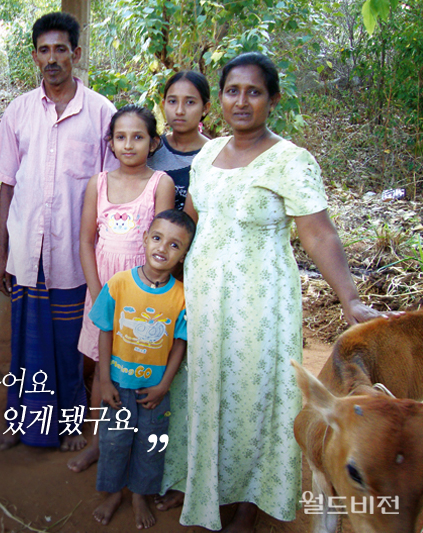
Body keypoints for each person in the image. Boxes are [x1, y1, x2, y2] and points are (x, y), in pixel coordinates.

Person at [155, 52, 385, 531]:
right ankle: (204, 487)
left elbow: (318, 234)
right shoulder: (206, 156)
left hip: (261, 305)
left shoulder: (290, 159)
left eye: (254, 92)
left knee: (252, 397)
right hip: (204, 300)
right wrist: (161, 279)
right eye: (232, 91)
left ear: (273, 99)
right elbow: (191, 224)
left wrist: (350, 299)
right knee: (202, 391)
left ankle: (249, 501)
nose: (242, 101)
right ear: (220, 99)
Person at [0, 12, 118, 450]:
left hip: (74, 254)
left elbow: (113, 188)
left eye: (60, 49)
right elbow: (7, 183)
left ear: (76, 54)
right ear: (34, 56)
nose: (52, 59)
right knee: (25, 341)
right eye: (44, 50)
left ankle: (66, 425)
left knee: (69, 345)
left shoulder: (102, 113)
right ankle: (21, 421)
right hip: (26, 249)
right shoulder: (19, 112)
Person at [68, 105, 175, 473]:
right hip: (102, 294)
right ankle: (98, 443)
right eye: (120, 137)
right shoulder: (97, 184)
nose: (128, 145)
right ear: (110, 143)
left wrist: (148, 295)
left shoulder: (161, 184)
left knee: (140, 366)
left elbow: (162, 245)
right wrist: (100, 297)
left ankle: (134, 449)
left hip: (144, 297)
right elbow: (85, 242)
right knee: (102, 368)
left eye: (138, 136)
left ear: (153, 142)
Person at [89, 210, 194, 529]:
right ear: (145, 239)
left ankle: (139, 495)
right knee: (114, 442)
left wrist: (164, 385)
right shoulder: (119, 284)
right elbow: (105, 330)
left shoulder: (182, 296)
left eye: (175, 245)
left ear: (184, 255)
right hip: (118, 386)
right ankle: (114, 493)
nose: (163, 248)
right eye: (158, 238)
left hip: (154, 391)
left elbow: (180, 344)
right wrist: (105, 380)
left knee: (151, 444)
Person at [146, 71, 211, 211]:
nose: (180, 111)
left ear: (205, 108)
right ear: (163, 104)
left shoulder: (214, 155)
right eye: (172, 101)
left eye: (190, 102)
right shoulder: (150, 149)